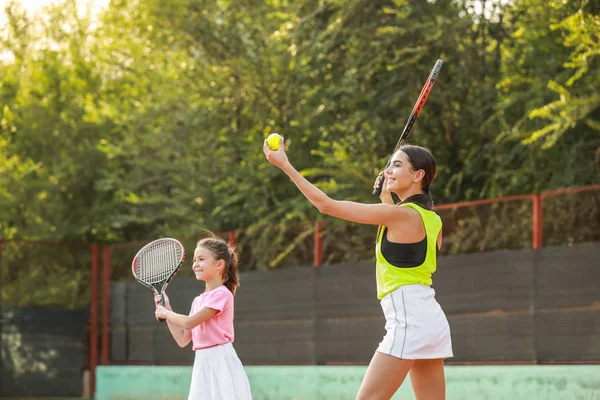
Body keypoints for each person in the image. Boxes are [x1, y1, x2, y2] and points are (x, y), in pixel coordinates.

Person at [264, 138, 452, 400]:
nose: (389, 171)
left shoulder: (400, 215)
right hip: (430, 319)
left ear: (418, 175)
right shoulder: (432, 220)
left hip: (410, 316)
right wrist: (387, 198)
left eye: (397, 165)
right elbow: (404, 241)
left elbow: (326, 205)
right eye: (389, 166)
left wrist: (285, 165)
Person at [154, 235, 252, 400]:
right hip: (202, 364)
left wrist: (165, 313)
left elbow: (189, 322)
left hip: (221, 362)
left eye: (201, 259)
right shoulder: (198, 300)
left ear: (219, 264)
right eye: (194, 260)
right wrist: (167, 307)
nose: (195, 265)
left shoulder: (222, 294)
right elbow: (183, 338)